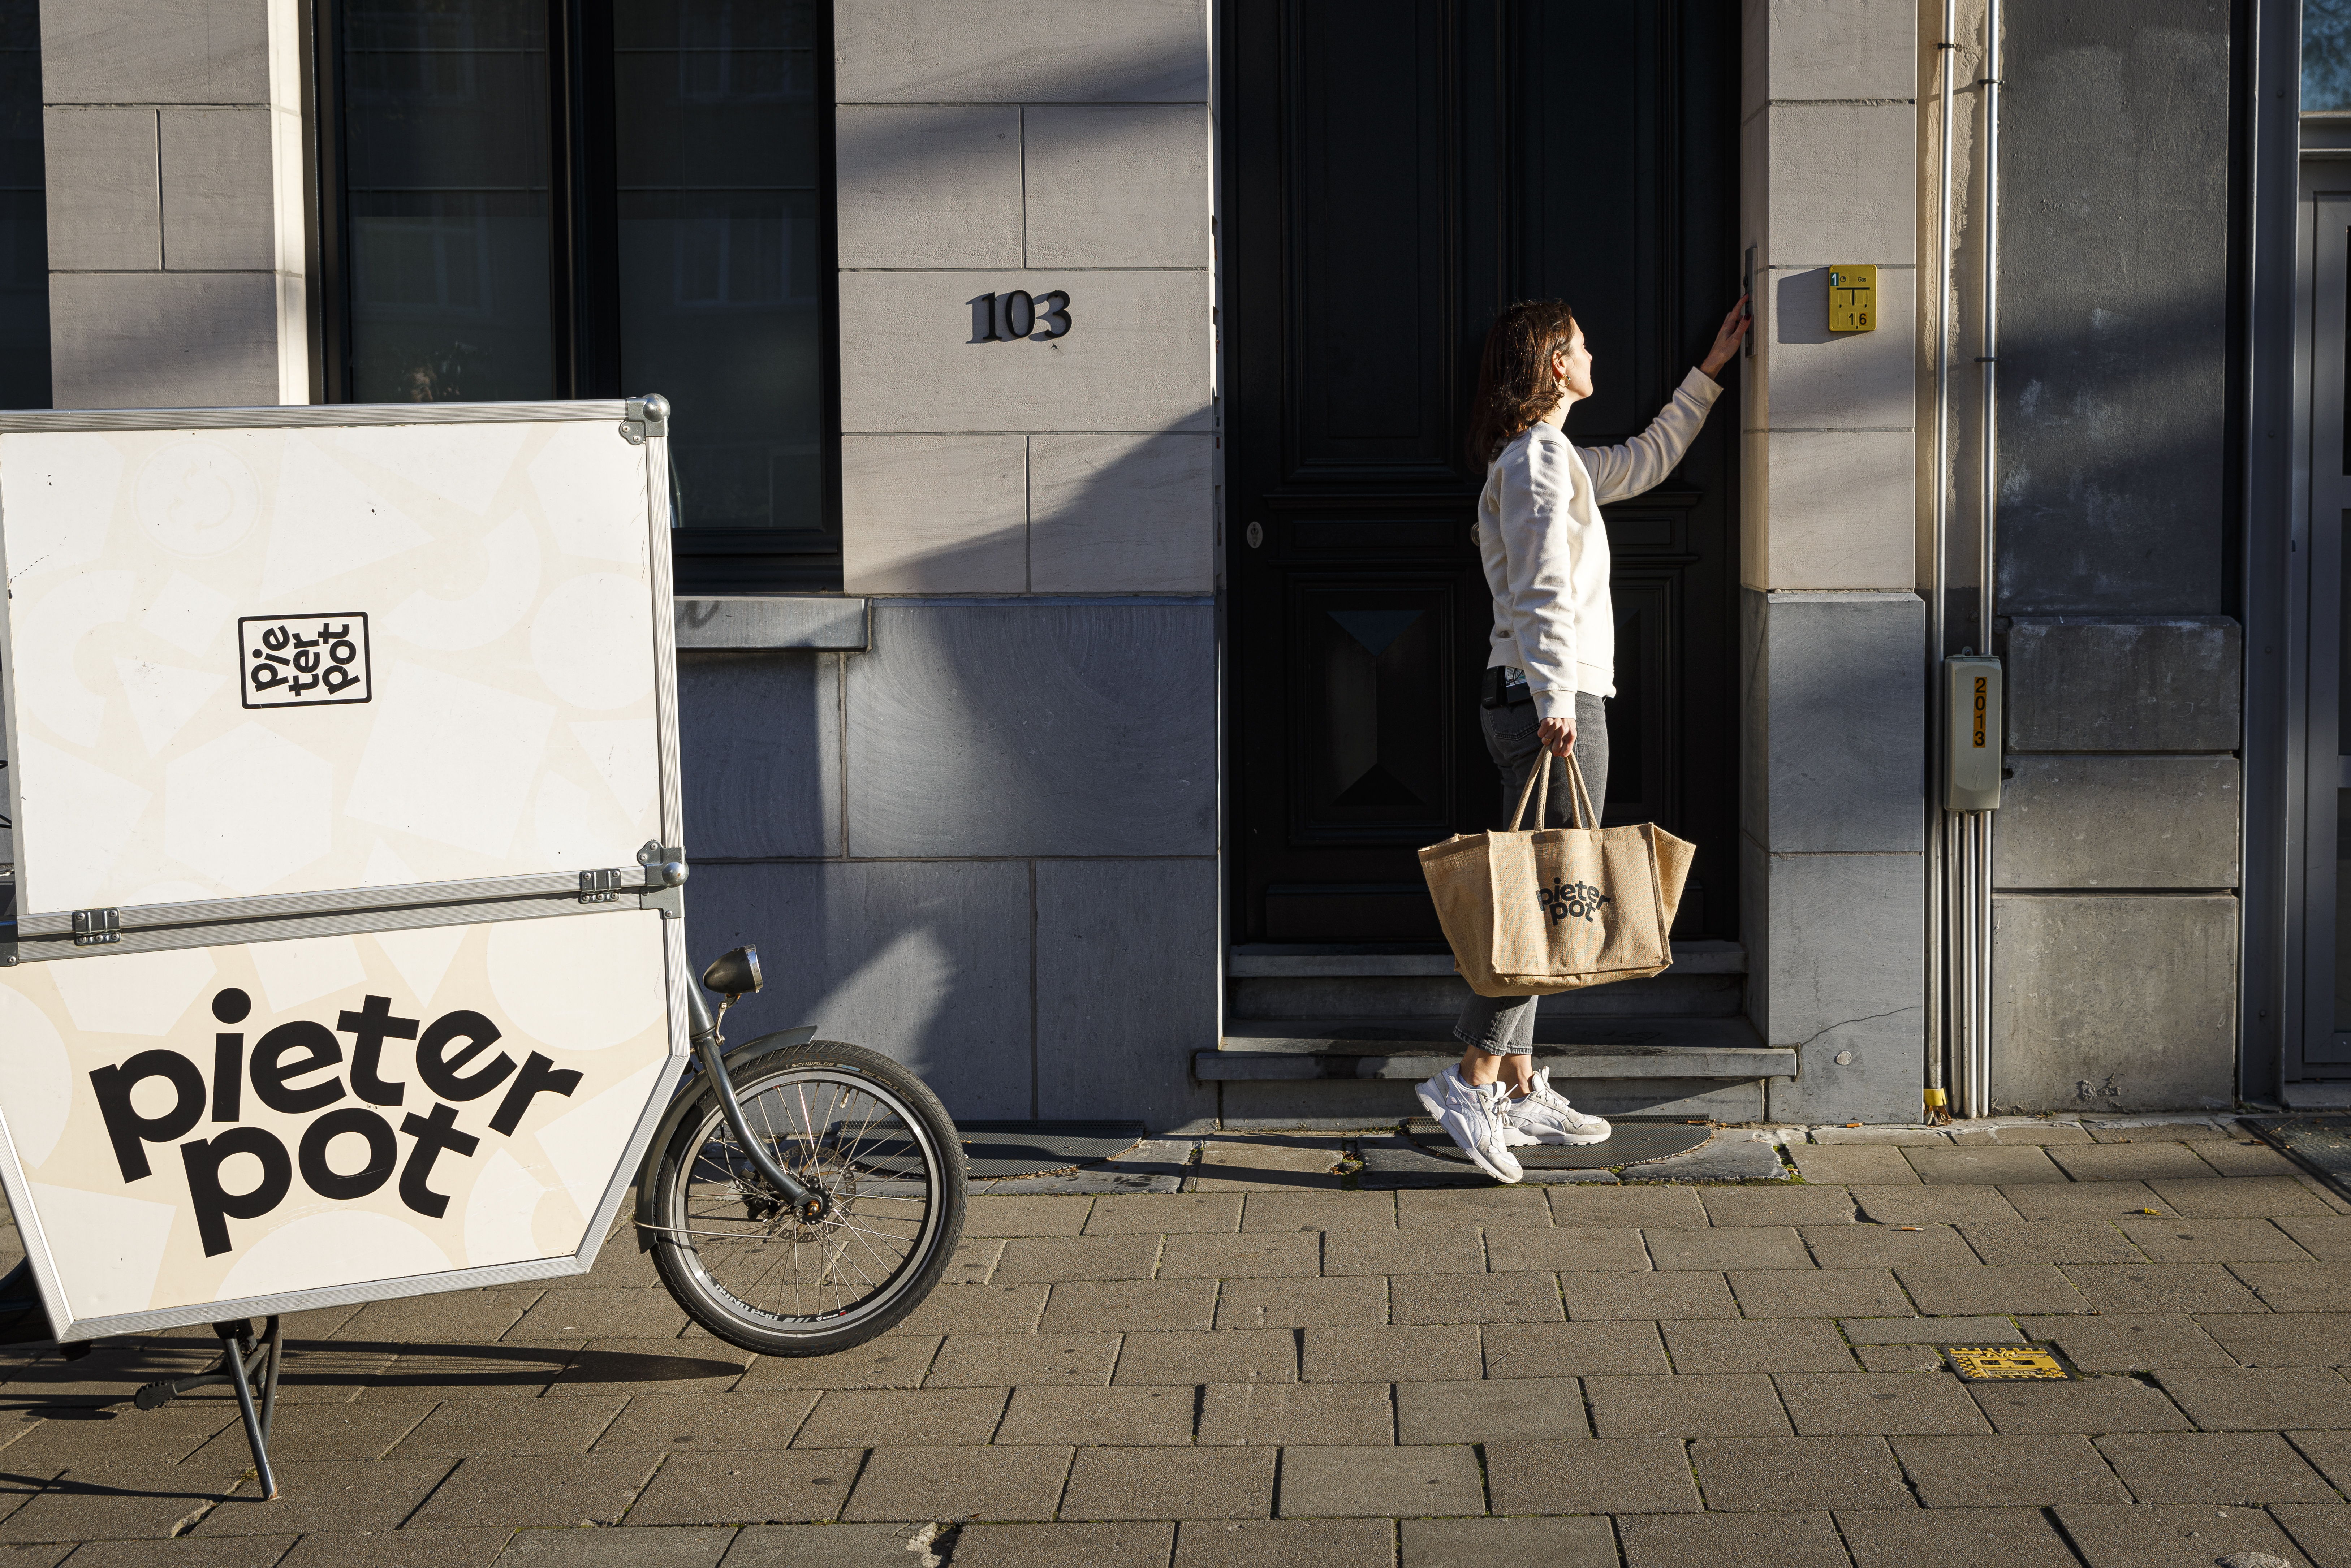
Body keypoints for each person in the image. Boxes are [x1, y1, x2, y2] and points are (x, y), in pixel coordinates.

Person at [1416, 294, 1751, 1182]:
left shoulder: (1549, 457)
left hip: (1538, 699)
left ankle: (1519, 1090)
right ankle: (1469, 1078)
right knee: (1544, 902)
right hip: (1547, 705)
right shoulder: (1531, 462)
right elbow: (1538, 591)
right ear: (1553, 365)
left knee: (1547, 893)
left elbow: (1643, 461)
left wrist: (1708, 373)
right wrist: (1558, 696)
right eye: (1581, 344)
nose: (1593, 352)